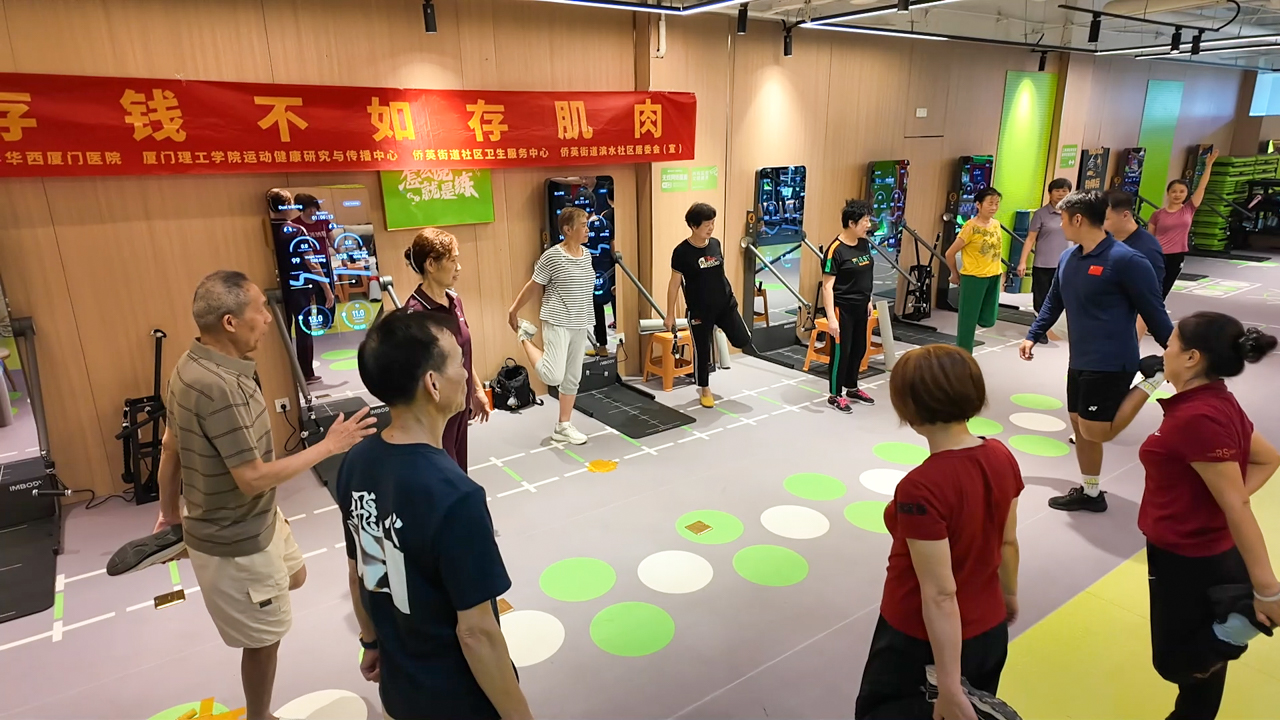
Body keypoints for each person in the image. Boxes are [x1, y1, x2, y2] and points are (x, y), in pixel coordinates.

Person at [153, 270, 375, 720]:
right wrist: (329, 446)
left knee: (296, 576)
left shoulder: (188, 366)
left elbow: (170, 445)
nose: (269, 319)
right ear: (230, 322)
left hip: (260, 519)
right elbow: (252, 479)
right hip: (237, 539)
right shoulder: (218, 388)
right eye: (260, 310)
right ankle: (260, 715)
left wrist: (169, 514)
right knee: (263, 640)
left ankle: (255, 599)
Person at [339, 309, 532, 720]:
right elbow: (476, 633)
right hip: (458, 701)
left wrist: (371, 641)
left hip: (400, 693)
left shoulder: (356, 463)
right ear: (433, 383)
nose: (465, 374)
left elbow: (364, 574)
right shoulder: (457, 496)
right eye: (460, 363)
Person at [855, 344, 1022, 720]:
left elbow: (940, 594)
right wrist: (1008, 595)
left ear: (908, 408)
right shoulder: (1002, 456)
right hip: (989, 628)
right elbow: (1008, 540)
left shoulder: (921, 487)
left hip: (920, 639)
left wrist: (948, 687)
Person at [1139, 312, 1279, 719]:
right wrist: (1216, 501)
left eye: (1170, 344)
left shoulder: (1197, 417)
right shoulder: (1216, 400)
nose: (1164, 351)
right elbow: (1267, 459)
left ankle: (1240, 624)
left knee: (1177, 665)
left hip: (1189, 559)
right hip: (1205, 549)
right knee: (1202, 686)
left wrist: (1267, 590)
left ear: (1191, 357)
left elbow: (1237, 504)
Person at [1019, 191, 1172, 512]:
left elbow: (1154, 311)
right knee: (1079, 425)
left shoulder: (1127, 261)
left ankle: (1153, 378)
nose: (1061, 226)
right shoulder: (1068, 258)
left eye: (1063, 219)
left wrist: (1173, 353)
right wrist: (1033, 334)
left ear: (1078, 219)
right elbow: (1053, 301)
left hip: (1112, 360)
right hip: (1080, 358)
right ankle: (1091, 493)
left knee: (1096, 431)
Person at [403, 228, 491, 470]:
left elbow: (461, 353)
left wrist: (476, 390)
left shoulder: (455, 301)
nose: (458, 267)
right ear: (431, 264)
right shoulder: (415, 314)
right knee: (443, 473)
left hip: (459, 405)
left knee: (459, 469)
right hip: (435, 414)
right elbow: (413, 376)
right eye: (453, 260)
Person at [509, 207, 596, 445]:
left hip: (580, 321)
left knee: (572, 378)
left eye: (587, 225)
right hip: (557, 320)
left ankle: (563, 426)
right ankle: (524, 336)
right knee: (552, 374)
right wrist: (514, 310)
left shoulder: (587, 255)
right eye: (583, 225)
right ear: (568, 229)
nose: (587, 230)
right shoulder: (552, 256)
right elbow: (534, 285)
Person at [665, 202, 753, 408]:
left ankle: (719, 329)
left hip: (724, 305)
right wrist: (669, 315)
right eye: (707, 224)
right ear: (694, 226)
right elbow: (674, 284)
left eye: (713, 223)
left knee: (743, 339)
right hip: (700, 310)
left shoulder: (715, 244)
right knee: (702, 352)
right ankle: (704, 388)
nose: (711, 228)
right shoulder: (681, 252)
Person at [267, 189, 331, 384]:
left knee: (281, 331)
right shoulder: (296, 230)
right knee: (304, 329)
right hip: (300, 288)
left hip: (275, 287)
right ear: (288, 205)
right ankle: (306, 373)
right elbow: (312, 263)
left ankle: (284, 376)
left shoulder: (265, 230)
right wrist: (327, 289)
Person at [821, 199, 877, 413]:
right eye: (865, 221)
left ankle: (852, 387)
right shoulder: (835, 250)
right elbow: (827, 287)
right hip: (842, 309)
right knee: (841, 353)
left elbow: (865, 274)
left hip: (861, 307)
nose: (868, 225)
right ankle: (835, 395)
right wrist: (831, 319)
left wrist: (868, 299)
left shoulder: (863, 243)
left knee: (858, 349)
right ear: (852, 223)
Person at [1149, 149, 1218, 301]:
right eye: (1174, 191)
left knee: (1164, 291)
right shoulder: (1157, 214)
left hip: (1176, 256)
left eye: (1181, 191)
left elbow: (1201, 187)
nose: (1177, 194)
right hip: (1158, 255)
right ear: (1168, 193)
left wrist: (1208, 166)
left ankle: (1151, 315)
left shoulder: (1188, 209)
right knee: (1151, 288)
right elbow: (1149, 238)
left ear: (1186, 194)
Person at [946, 188, 1005, 354]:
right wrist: (954, 274)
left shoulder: (996, 224)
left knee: (989, 319)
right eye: (990, 203)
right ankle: (964, 355)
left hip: (994, 274)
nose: (994, 207)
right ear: (978, 205)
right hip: (974, 277)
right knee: (967, 322)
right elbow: (949, 253)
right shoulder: (970, 227)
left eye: (996, 204)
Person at [1016, 178, 1073, 317]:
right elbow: (1030, 239)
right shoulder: (1040, 214)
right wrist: (1022, 262)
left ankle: (1053, 325)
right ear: (1050, 193)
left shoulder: (1074, 214)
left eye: (1064, 191)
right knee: (1041, 299)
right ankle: (1041, 326)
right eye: (1057, 191)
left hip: (1066, 264)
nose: (1061, 194)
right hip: (1043, 265)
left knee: (1062, 299)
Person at [1104, 190, 1165, 284]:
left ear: (1125, 215)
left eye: (1105, 219)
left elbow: (1151, 289)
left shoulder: (1147, 249)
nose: (1098, 223)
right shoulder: (1105, 239)